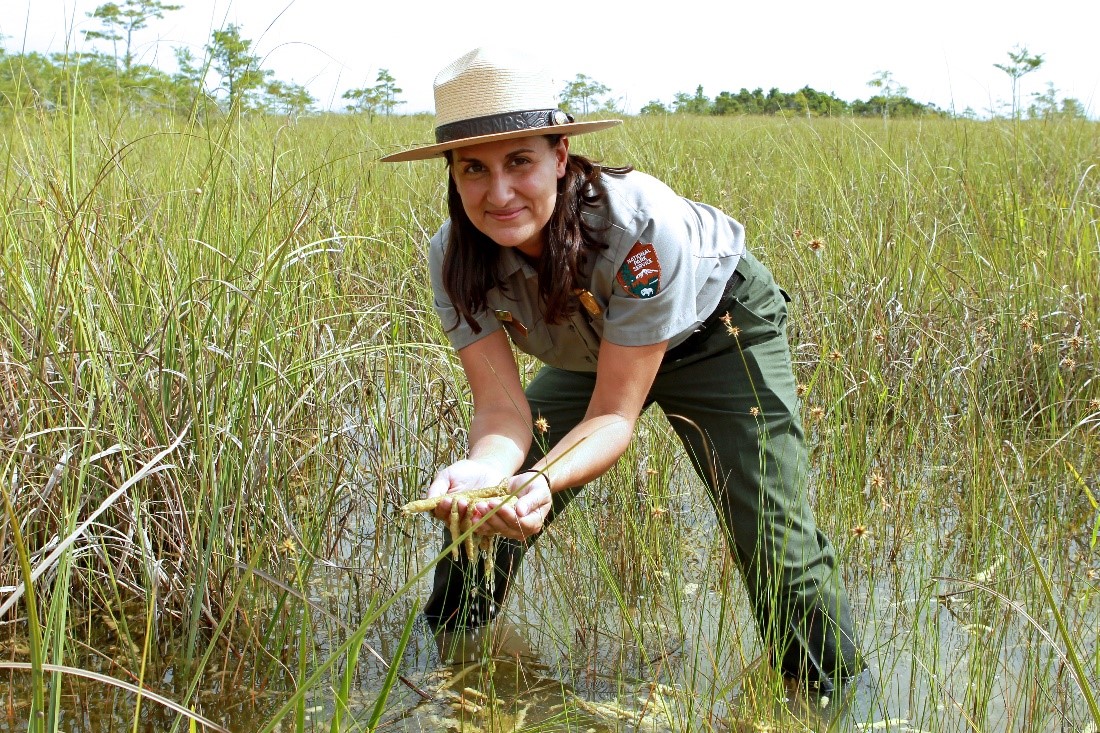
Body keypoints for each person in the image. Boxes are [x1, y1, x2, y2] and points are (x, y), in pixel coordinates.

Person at [381, 47, 862, 695]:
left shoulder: (641, 226)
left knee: (776, 549)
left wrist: (542, 479)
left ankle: (835, 700)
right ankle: (453, 680)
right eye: (474, 169)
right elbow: (501, 412)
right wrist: (488, 474)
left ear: (559, 155)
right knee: (479, 527)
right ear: (453, 173)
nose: (498, 193)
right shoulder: (453, 258)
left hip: (716, 333)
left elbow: (614, 415)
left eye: (520, 160)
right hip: (596, 353)